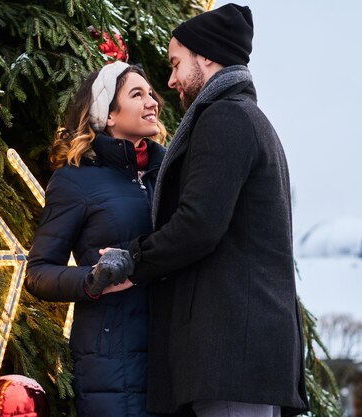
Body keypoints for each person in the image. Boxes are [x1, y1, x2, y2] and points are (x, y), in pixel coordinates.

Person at [93, 4, 309, 417]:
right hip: (239, 356)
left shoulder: (225, 118)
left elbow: (198, 225)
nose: (170, 80)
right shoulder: (246, 118)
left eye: (176, 64)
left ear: (206, 57)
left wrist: (131, 261)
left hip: (231, 354)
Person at [24, 61, 166, 417]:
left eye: (150, 93)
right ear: (110, 116)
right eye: (137, 94)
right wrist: (92, 279)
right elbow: (38, 272)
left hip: (171, 355)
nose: (152, 102)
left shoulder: (167, 174)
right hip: (110, 362)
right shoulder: (75, 181)